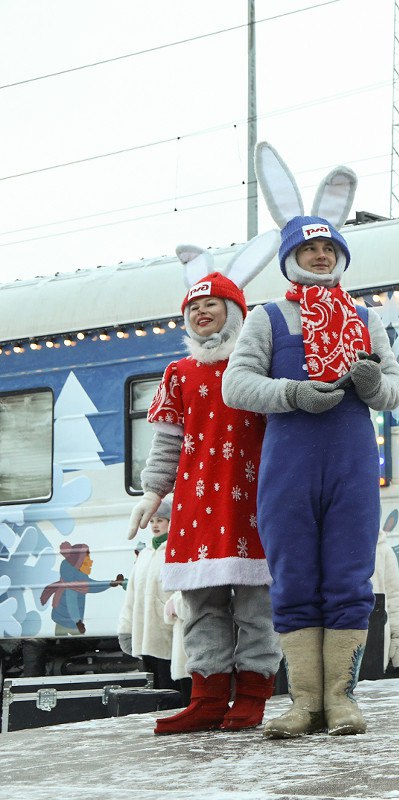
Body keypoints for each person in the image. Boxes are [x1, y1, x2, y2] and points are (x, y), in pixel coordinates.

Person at [224, 143, 399, 738]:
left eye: (328, 249)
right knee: (295, 577)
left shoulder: (366, 319)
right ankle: (305, 703)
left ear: (341, 256)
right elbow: (235, 385)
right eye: (309, 249)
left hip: (351, 463)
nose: (321, 256)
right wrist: (293, 394)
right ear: (290, 259)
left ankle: (342, 699)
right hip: (289, 466)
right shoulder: (268, 318)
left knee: (350, 578)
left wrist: (373, 383)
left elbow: (395, 391)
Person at [128, 232, 282, 735]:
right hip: (196, 505)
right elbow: (167, 444)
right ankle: (208, 698)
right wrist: (153, 492)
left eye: (211, 304)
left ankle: (253, 695)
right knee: (201, 605)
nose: (201, 313)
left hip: (253, 500)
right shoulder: (179, 373)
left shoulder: (257, 365)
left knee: (256, 605)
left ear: (234, 311)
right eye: (193, 307)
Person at [118, 497, 189, 700]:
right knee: (154, 691)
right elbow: (132, 595)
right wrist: (126, 628)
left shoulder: (176, 550)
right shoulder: (145, 554)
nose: (155, 525)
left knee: (173, 689)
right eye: (152, 521)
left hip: (169, 634)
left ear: (171, 522)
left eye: (160, 520)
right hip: (145, 635)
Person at [40, 542, 123, 635]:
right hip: (66, 619)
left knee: (62, 638)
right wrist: (78, 622)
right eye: (87, 559)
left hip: (66, 619)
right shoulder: (72, 585)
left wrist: (111, 583)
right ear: (79, 563)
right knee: (70, 637)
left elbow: (94, 586)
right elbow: (72, 605)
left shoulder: (80, 580)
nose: (91, 562)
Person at [370, 527, 399, 675]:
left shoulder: (383, 551)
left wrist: (397, 634)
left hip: (374, 633)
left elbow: (394, 596)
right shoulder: (333, 547)